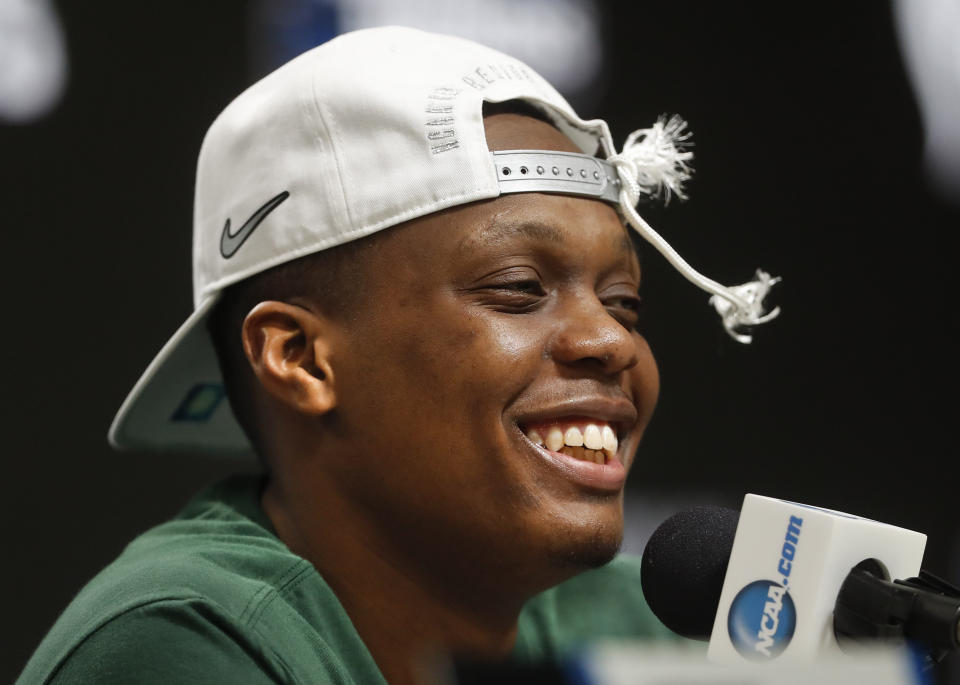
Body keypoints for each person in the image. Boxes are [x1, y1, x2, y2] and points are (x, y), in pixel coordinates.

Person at [18, 26, 776, 685]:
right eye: (519, 287)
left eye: (623, 303)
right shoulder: (176, 646)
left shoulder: (629, 620)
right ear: (300, 357)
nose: (612, 341)